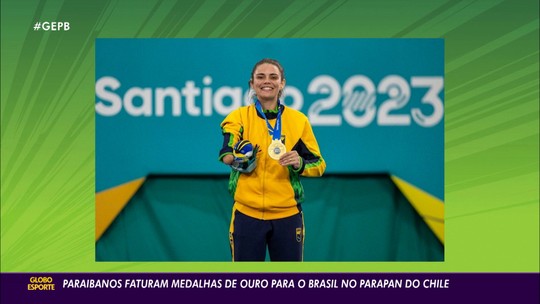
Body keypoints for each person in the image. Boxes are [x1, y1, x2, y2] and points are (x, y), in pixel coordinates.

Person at [218, 58, 326, 261]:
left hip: (287, 215)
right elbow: (226, 153)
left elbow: (319, 164)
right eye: (260, 77)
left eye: (273, 77)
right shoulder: (238, 117)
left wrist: (300, 163)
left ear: (282, 83)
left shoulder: (298, 121)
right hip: (246, 214)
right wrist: (241, 159)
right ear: (252, 84)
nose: (266, 81)